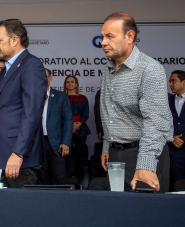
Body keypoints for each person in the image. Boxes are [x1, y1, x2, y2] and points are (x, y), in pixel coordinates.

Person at [100, 12, 172, 192]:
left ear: (130, 36)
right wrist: (108, 146)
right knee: (119, 214)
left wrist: (146, 165)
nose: (103, 42)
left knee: (147, 217)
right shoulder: (107, 69)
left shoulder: (150, 69)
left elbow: (156, 122)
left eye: (110, 36)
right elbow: (112, 113)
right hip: (116, 156)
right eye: (102, 36)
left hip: (144, 154)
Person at [0, 19, 47, 188]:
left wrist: (19, 153)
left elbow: (32, 112)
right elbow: (1, 106)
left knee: (21, 212)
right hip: (3, 156)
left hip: (19, 159)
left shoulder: (31, 65)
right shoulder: (7, 69)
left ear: (14, 40)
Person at [39, 68, 73, 185]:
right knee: (43, 178)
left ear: (51, 79)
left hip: (57, 143)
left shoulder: (60, 96)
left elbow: (68, 120)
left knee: (59, 176)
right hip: (39, 143)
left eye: (45, 76)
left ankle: (63, 203)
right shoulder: (32, 97)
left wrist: (66, 142)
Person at [64, 75, 91, 182]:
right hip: (66, 129)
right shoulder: (62, 97)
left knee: (79, 155)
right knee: (67, 155)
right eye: (67, 82)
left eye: (72, 82)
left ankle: (79, 179)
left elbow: (86, 114)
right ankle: (68, 179)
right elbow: (61, 113)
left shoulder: (83, 98)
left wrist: (78, 124)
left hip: (81, 129)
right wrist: (70, 125)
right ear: (65, 85)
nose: (70, 84)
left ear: (76, 84)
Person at [168, 70, 185, 185]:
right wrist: (171, 137)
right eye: (170, 81)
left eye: (173, 81)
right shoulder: (166, 101)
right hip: (172, 152)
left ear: (184, 82)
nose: (170, 84)